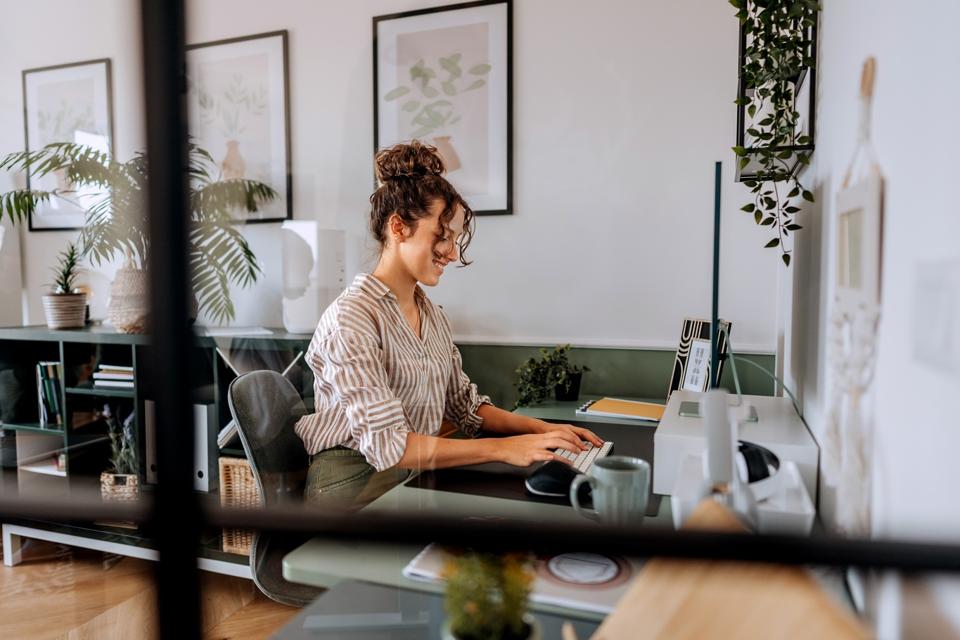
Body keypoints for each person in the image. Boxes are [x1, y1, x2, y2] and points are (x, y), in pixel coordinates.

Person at [295, 141, 602, 509]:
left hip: (412, 477)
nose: (453, 253)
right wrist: (505, 449)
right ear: (398, 227)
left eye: (454, 238)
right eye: (442, 236)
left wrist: (543, 430)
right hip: (353, 490)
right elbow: (390, 447)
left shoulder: (432, 315)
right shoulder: (351, 318)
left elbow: (465, 408)